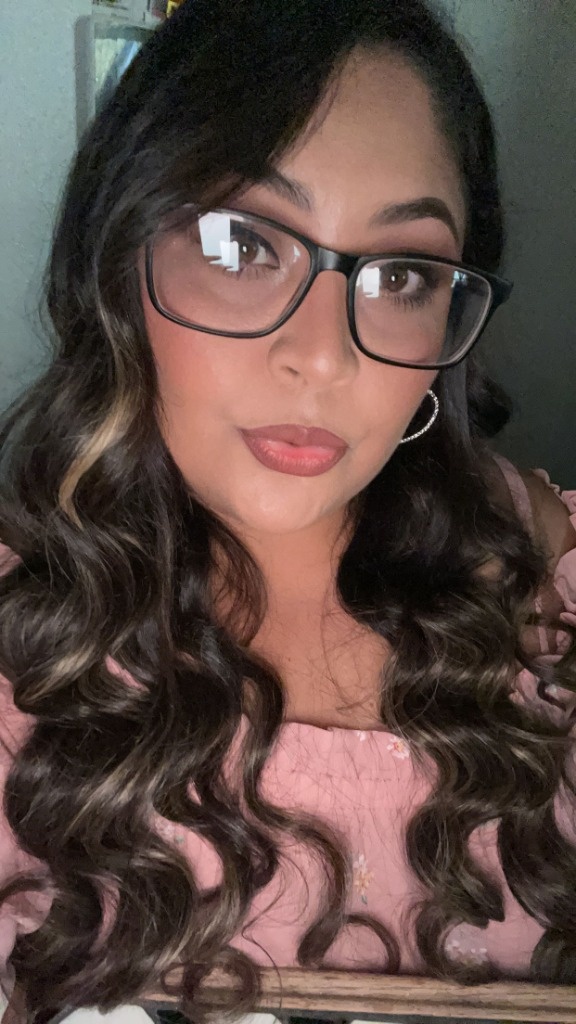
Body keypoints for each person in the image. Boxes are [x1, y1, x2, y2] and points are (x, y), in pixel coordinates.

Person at [0, 0, 575, 1021]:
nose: (323, 355)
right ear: (118, 263)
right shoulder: (22, 643)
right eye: (243, 244)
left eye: (403, 273)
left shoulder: (551, 594)